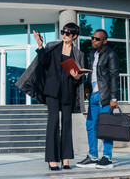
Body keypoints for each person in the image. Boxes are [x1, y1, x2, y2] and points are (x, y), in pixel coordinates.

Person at [16, 23, 85, 171]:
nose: (64, 34)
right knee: (53, 122)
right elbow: (43, 62)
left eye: (68, 33)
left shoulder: (79, 54)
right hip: (52, 90)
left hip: (68, 91)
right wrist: (40, 46)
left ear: (74, 36)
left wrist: (76, 77)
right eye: (63, 31)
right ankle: (52, 159)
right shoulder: (53, 46)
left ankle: (65, 159)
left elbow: (78, 76)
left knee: (67, 124)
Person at [76, 29, 119, 169]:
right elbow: (93, 74)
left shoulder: (111, 55)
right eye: (92, 38)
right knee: (91, 125)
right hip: (93, 96)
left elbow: (114, 77)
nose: (93, 40)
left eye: (97, 39)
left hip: (105, 96)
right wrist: (88, 86)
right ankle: (93, 156)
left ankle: (107, 157)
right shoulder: (92, 54)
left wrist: (114, 98)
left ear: (104, 41)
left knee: (106, 127)